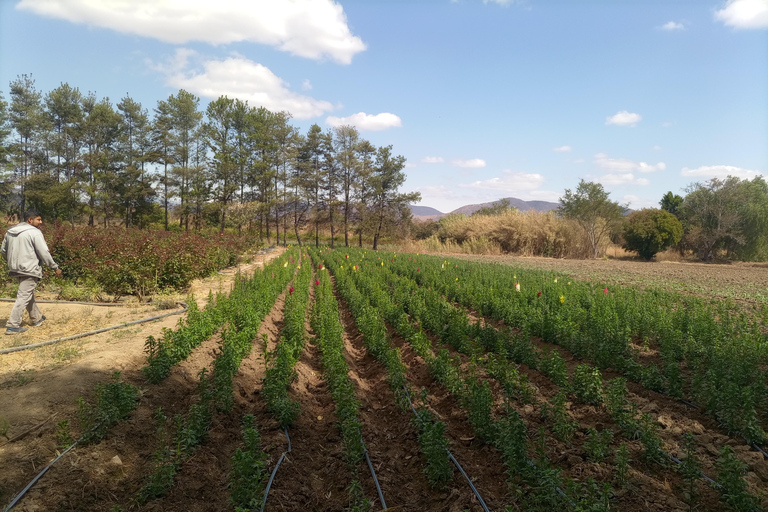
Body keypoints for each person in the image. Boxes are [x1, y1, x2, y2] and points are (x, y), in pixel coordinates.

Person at [1, 211, 62, 334]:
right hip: (30, 269)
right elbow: (43, 252)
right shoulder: (34, 232)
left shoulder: (10, 232)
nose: (41, 222)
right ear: (30, 220)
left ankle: (36, 318)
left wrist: (12, 262)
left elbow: (3, 250)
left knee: (27, 294)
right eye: (38, 219)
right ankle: (13, 325)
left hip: (15, 269)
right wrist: (55, 267)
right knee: (23, 296)